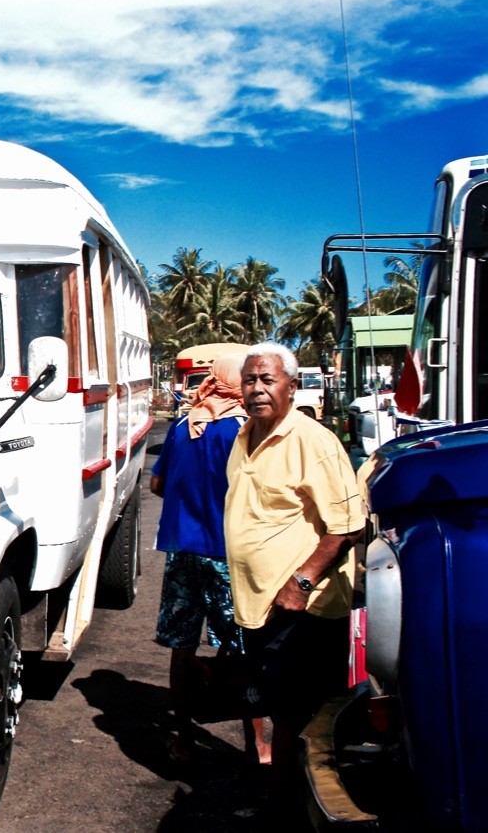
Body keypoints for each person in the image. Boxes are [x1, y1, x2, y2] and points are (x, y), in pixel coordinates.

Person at [224, 342, 364, 808]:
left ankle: (286, 812)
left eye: (268, 380)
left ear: (291, 386)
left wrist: (301, 581)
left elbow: (349, 524)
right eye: (250, 380)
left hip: (302, 606)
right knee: (276, 705)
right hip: (260, 603)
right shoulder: (247, 433)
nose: (257, 388)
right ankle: (284, 802)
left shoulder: (312, 440)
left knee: (295, 716)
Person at [150, 352, 268, 765]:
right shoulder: (246, 428)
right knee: (241, 649)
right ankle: (257, 747)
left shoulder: (185, 424)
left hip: (182, 549)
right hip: (227, 554)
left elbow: (157, 484)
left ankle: (182, 740)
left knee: (181, 646)